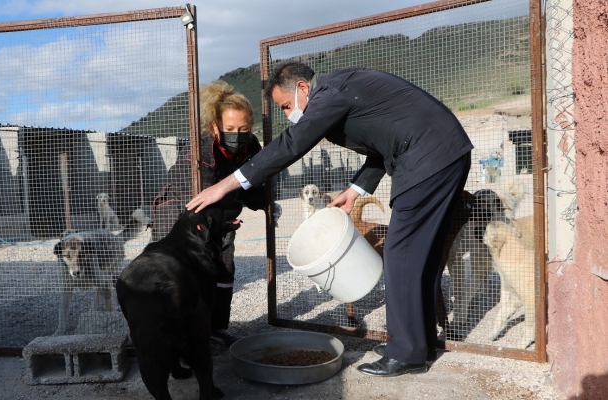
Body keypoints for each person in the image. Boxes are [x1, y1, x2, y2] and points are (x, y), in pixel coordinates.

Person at [186, 62, 472, 377]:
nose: (287, 115)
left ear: (303, 88)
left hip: (426, 159)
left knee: (400, 253)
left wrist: (225, 185)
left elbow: (291, 144)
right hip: (442, 153)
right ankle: (419, 345)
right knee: (422, 255)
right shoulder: (345, 88)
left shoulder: (329, 93)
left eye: (285, 105)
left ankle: (405, 352)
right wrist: (355, 189)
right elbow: (383, 145)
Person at [186, 80, 281, 346]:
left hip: (224, 219)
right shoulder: (201, 149)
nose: (237, 135)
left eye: (244, 129)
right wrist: (225, 215)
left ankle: (216, 328)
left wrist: (266, 203)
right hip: (182, 215)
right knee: (190, 274)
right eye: (229, 129)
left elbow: (250, 184)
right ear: (214, 127)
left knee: (224, 269)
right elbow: (198, 195)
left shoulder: (251, 146)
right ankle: (187, 334)